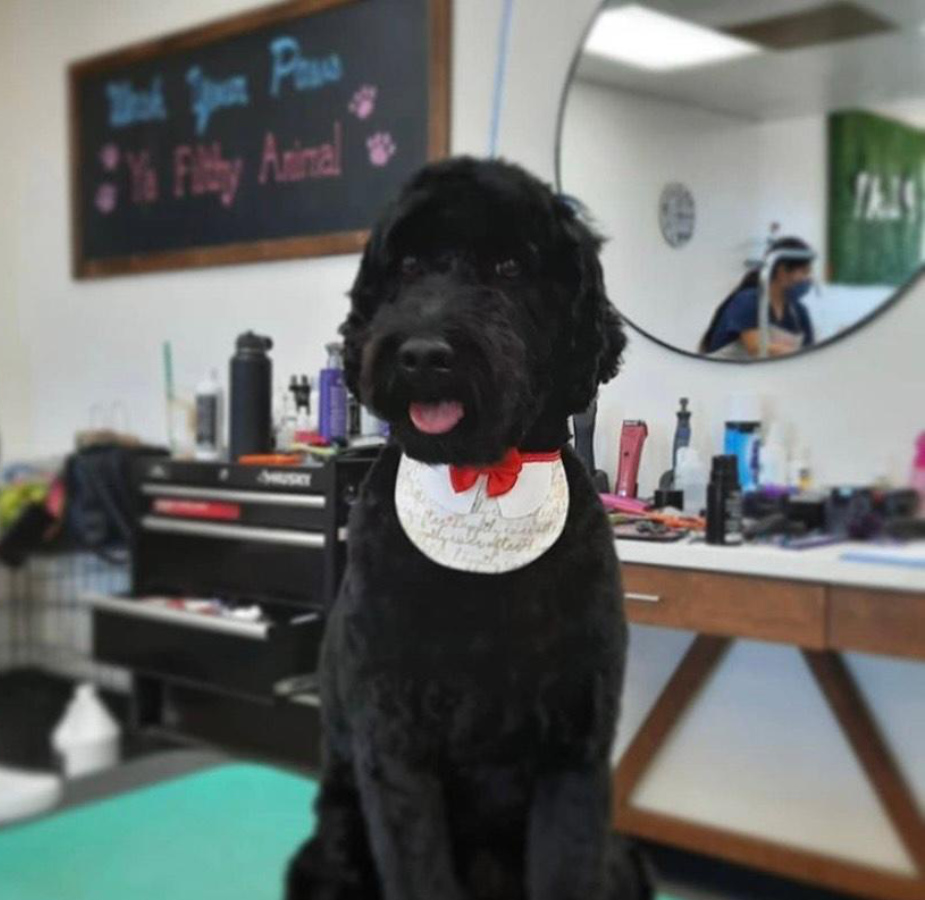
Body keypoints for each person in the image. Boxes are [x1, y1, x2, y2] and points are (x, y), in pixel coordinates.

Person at [700, 237, 816, 359]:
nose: (807, 279)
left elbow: (811, 353)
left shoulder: (798, 312)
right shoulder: (748, 301)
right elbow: (755, 347)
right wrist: (801, 353)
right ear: (782, 270)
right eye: (804, 272)